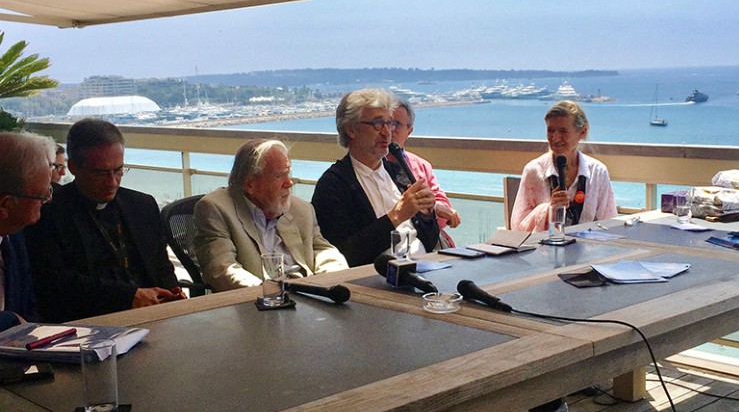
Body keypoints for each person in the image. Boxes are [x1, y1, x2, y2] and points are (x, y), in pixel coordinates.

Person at [24, 118, 185, 323]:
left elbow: (161, 265)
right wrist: (129, 296)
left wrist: (173, 294)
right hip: (91, 321)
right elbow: (56, 283)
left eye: (118, 170)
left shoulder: (142, 205)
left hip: (156, 316)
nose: (112, 182)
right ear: (73, 167)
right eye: (101, 173)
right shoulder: (49, 213)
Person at [194, 139, 348, 291]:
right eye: (279, 176)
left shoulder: (301, 209)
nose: (289, 183)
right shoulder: (215, 209)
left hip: (310, 293)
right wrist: (271, 292)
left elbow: (322, 249)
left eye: (288, 173)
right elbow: (221, 269)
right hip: (257, 304)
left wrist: (331, 280)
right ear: (250, 184)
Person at [311, 88, 440, 267]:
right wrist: (397, 216)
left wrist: (426, 215)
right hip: (377, 280)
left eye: (391, 123)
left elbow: (430, 240)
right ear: (351, 130)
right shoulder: (332, 185)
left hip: (423, 267)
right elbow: (345, 254)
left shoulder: (397, 172)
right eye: (378, 124)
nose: (387, 132)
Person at [510, 100, 617, 231]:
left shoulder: (597, 172)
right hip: (543, 249)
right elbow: (518, 227)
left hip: (586, 248)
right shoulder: (534, 171)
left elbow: (609, 223)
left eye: (563, 131)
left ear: (582, 132)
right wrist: (550, 209)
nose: (555, 138)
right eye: (551, 130)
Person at [0, 132, 55, 331]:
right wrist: (10, 321)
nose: (49, 200)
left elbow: (30, 310)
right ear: (5, 205)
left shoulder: (13, 238)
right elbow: (17, 319)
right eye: (42, 195)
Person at [388, 98, 461, 247]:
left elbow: (443, 209)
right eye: (386, 123)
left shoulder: (420, 165)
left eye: (396, 124)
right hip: (396, 242)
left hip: (429, 240)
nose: (389, 129)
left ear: (409, 131)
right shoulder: (373, 167)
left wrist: (436, 207)